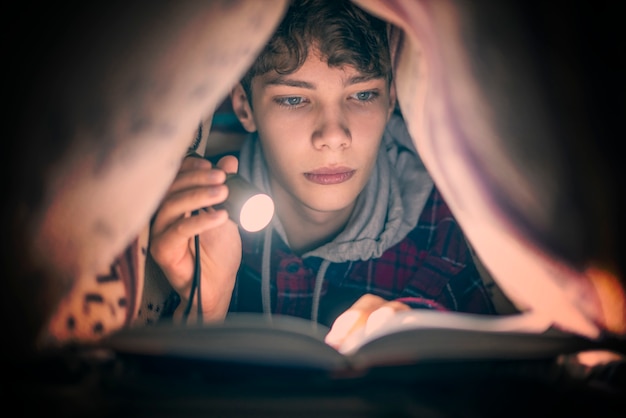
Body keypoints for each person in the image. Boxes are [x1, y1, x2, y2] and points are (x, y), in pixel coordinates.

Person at [146, 0, 496, 349]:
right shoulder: (193, 223)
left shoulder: (458, 222)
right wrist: (205, 310)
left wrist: (419, 332)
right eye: (295, 100)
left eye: (362, 94)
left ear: (391, 99)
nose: (333, 136)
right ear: (244, 107)